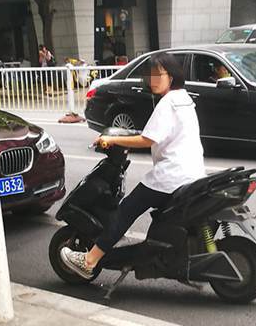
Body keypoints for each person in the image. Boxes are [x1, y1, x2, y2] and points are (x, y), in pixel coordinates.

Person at [60, 53, 206, 279]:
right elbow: (156, 134)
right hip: (192, 173)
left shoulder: (168, 103)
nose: (154, 79)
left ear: (172, 75)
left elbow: (148, 139)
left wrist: (113, 140)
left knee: (126, 210)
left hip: (171, 176)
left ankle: (89, 261)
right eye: (150, 75)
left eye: (159, 74)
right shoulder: (184, 99)